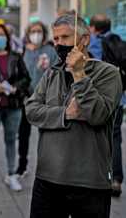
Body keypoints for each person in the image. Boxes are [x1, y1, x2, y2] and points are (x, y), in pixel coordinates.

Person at [26, 14, 122, 218]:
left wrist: (79, 74)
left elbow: (98, 115)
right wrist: (65, 114)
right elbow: (32, 110)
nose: (59, 44)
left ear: (84, 39)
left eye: (65, 38)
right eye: (56, 39)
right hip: (48, 178)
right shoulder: (53, 73)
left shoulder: (108, 73)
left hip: (89, 182)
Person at [0, 24, 30, 192]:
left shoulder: (16, 57)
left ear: (7, 38)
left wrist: (16, 87)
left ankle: (11, 174)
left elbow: (26, 78)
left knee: (11, 140)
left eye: (1, 34)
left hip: (14, 105)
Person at [89, 14, 126, 197]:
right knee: (115, 138)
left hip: (100, 99)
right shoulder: (120, 41)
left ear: (94, 28)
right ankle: (116, 179)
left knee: (96, 136)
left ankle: (99, 178)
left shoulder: (93, 43)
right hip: (119, 99)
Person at [18, 21, 58, 178]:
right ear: (28, 34)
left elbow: (56, 72)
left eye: (39, 31)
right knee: (23, 134)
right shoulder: (23, 52)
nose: (36, 34)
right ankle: (22, 165)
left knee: (46, 133)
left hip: (46, 99)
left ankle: (48, 165)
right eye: (33, 31)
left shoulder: (50, 50)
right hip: (26, 99)